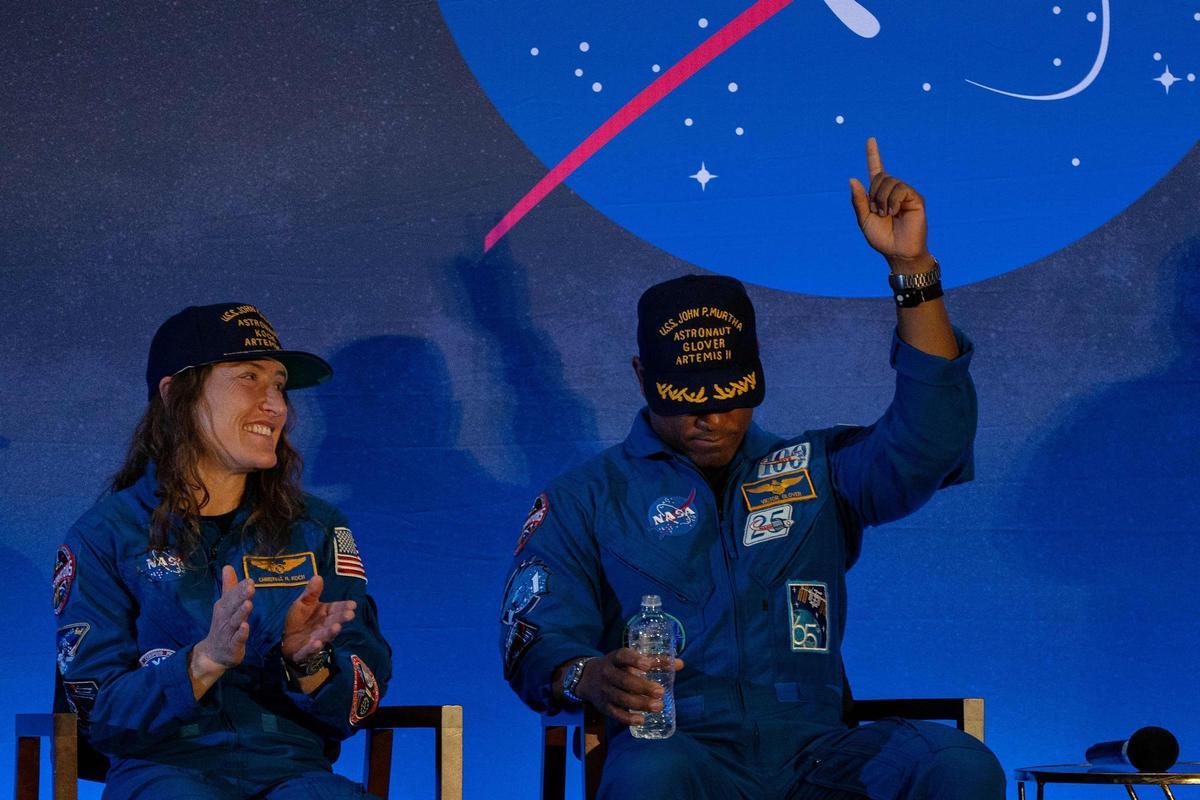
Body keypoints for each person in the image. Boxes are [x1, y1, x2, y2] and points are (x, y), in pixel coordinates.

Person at [499, 139, 1005, 799]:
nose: (709, 418)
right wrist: (584, 675)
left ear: (757, 371)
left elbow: (931, 443)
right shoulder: (585, 499)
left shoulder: (820, 469)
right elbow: (533, 636)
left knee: (959, 763)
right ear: (642, 378)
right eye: (687, 400)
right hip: (683, 754)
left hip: (821, 754)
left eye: (728, 395)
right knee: (648, 772)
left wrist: (913, 270)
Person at [53, 303, 392, 799]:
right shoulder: (106, 535)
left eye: (278, 384)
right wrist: (204, 661)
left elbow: (358, 705)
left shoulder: (318, 528)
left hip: (293, 774)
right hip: (163, 770)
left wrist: (308, 665)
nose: (275, 404)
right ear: (175, 396)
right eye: (249, 378)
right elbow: (98, 715)